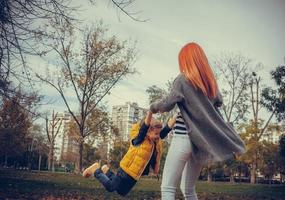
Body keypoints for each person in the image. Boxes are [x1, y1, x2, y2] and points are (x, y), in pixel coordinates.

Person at [150, 42, 246, 200]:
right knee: (188, 189)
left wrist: (153, 107)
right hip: (201, 143)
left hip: (183, 138)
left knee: (167, 187)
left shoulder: (182, 80)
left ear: (186, 60)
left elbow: (167, 104)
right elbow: (218, 106)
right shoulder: (211, 84)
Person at [82, 111, 176, 196]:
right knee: (111, 187)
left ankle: (106, 171)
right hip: (126, 170)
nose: (158, 136)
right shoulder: (140, 139)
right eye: (156, 134)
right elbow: (145, 127)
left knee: (122, 192)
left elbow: (165, 130)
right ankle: (95, 170)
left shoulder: (155, 140)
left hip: (135, 175)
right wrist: (151, 111)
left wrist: (178, 115)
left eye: (159, 134)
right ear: (147, 132)